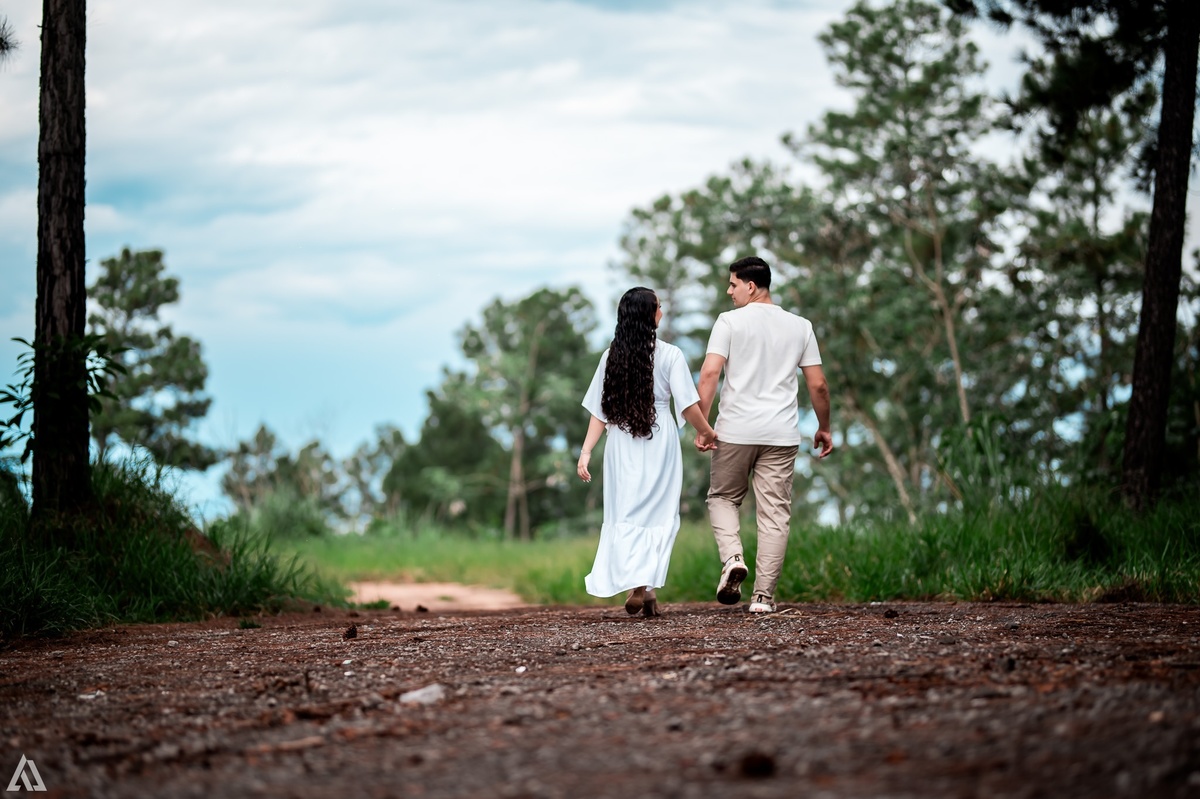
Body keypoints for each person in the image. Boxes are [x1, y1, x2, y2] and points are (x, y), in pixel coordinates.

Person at [696, 256, 833, 614]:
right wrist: (824, 426)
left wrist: (703, 425)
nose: (729, 291)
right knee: (774, 515)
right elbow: (818, 385)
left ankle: (733, 559)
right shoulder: (800, 326)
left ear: (751, 286)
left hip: (735, 430)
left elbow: (710, 374)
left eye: (732, 284)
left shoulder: (728, 322)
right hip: (782, 433)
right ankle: (763, 599)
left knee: (723, 498)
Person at [577, 287, 717, 618]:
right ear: (648, 314)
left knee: (626, 513)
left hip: (621, 442)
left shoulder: (612, 356)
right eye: (659, 306)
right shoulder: (670, 355)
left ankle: (644, 589)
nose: (662, 311)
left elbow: (600, 411)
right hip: (659, 441)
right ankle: (643, 586)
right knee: (659, 515)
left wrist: (585, 452)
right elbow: (687, 406)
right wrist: (706, 431)